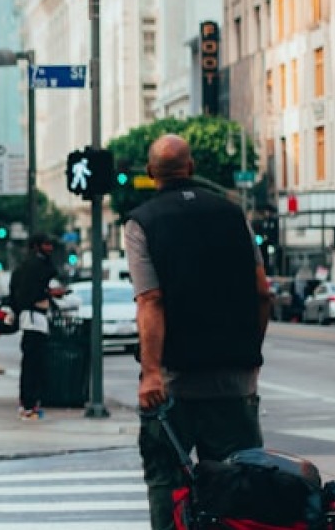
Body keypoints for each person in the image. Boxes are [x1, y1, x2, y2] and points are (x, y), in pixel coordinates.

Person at [126, 135, 275, 530]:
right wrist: (251, 354)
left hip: (173, 385)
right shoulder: (234, 214)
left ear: (150, 172)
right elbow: (263, 293)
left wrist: (152, 372)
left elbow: (151, 300)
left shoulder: (141, 223)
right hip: (234, 381)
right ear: (191, 168)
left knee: (165, 482)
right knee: (239, 486)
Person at [9, 235, 64, 420]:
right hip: (34, 317)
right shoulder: (37, 266)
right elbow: (31, 291)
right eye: (46, 244)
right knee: (34, 362)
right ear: (38, 246)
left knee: (31, 362)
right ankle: (29, 404)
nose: (50, 248)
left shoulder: (26, 266)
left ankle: (28, 402)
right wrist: (50, 292)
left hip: (31, 317)